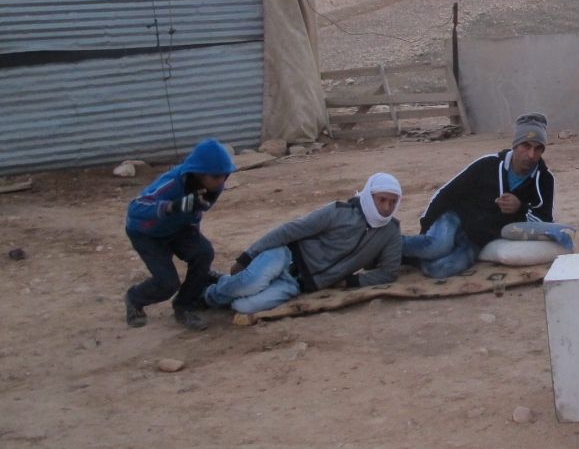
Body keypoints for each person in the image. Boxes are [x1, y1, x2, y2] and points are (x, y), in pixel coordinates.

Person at [205, 173, 403, 314]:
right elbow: (290, 230)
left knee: (244, 307)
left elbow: (389, 271)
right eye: (382, 199)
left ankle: (221, 283)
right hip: (285, 258)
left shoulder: (391, 231)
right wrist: (246, 256)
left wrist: (349, 281)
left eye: (393, 202)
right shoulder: (339, 211)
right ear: (369, 195)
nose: (387, 207)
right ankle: (206, 295)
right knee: (249, 284)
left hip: (297, 285)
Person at [401, 113, 556, 278]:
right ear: (515, 145)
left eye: (538, 148)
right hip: (456, 218)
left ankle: (406, 257)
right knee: (437, 246)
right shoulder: (488, 164)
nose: (531, 155)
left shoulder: (545, 180)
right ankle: (384, 244)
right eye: (526, 146)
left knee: (440, 269)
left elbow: (545, 221)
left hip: (477, 240)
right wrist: (426, 226)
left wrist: (520, 209)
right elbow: (445, 193)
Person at [124, 138, 237, 331]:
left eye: (225, 175)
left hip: (178, 228)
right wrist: (171, 206)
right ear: (200, 173)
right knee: (167, 283)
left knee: (203, 253)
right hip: (147, 232)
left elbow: (196, 213)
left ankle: (185, 305)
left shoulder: (215, 185)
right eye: (216, 176)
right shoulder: (171, 183)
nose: (221, 181)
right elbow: (135, 207)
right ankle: (134, 298)